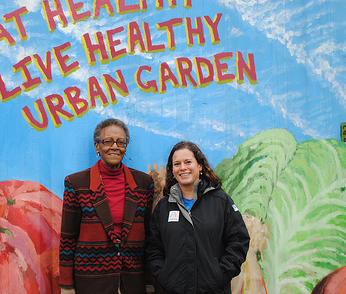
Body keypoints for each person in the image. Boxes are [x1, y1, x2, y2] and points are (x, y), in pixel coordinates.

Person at [59, 118, 155, 294]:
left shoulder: (143, 183)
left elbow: (149, 238)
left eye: (121, 142)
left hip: (132, 280)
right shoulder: (76, 183)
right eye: (108, 141)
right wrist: (66, 285)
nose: (115, 146)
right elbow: (67, 239)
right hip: (91, 282)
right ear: (97, 147)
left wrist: (149, 281)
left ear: (125, 147)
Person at [146, 141, 250, 294]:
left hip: (213, 290)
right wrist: (165, 276)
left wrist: (220, 275)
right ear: (172, 170)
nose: (183, 168)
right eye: (177, 164)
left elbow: (239, 240)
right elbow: (153, 247)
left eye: (188, 162)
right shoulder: (164, 207)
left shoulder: (220, 201)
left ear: (200, 166)